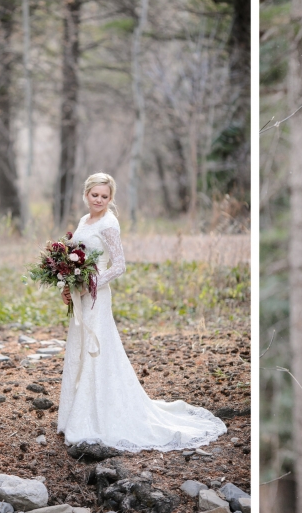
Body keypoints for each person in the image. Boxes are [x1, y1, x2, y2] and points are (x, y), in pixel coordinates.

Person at [57, 172, 226, 451]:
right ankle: (77, 413)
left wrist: (90, 284)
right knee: (80, 347)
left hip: (97, 294)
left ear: (111, 199)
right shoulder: (83, 221)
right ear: (86, 195)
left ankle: (101, 417)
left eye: (104, 196)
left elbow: (119, 265)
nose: (98, 200)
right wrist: (68, 286)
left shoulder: (110, 223)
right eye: (94, 195)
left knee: (97, 349)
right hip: (81, 294)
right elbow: (76, 258)